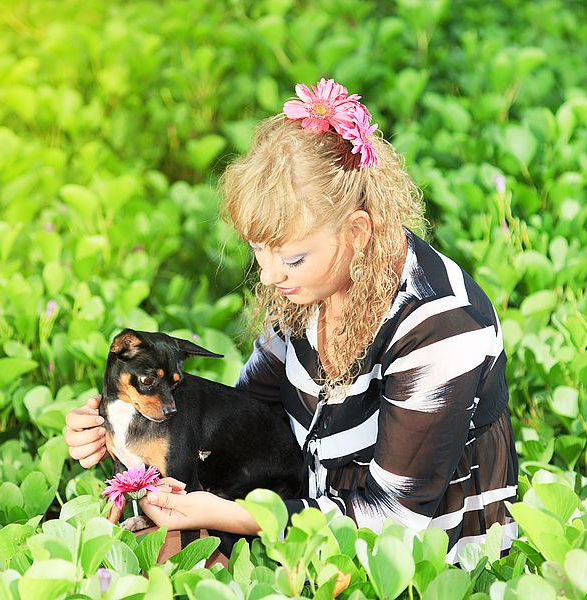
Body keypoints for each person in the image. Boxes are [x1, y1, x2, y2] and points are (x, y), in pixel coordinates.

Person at [64, 78, 518, 563]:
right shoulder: (307, 288)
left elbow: (393, 520)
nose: (270, 273)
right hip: (297, 526)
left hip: (421, 565)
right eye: (259, 250)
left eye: (293, 258)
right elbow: (249, 419)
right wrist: (121, 427)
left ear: (358, 231)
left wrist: (232, 517)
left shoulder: (441, 327)